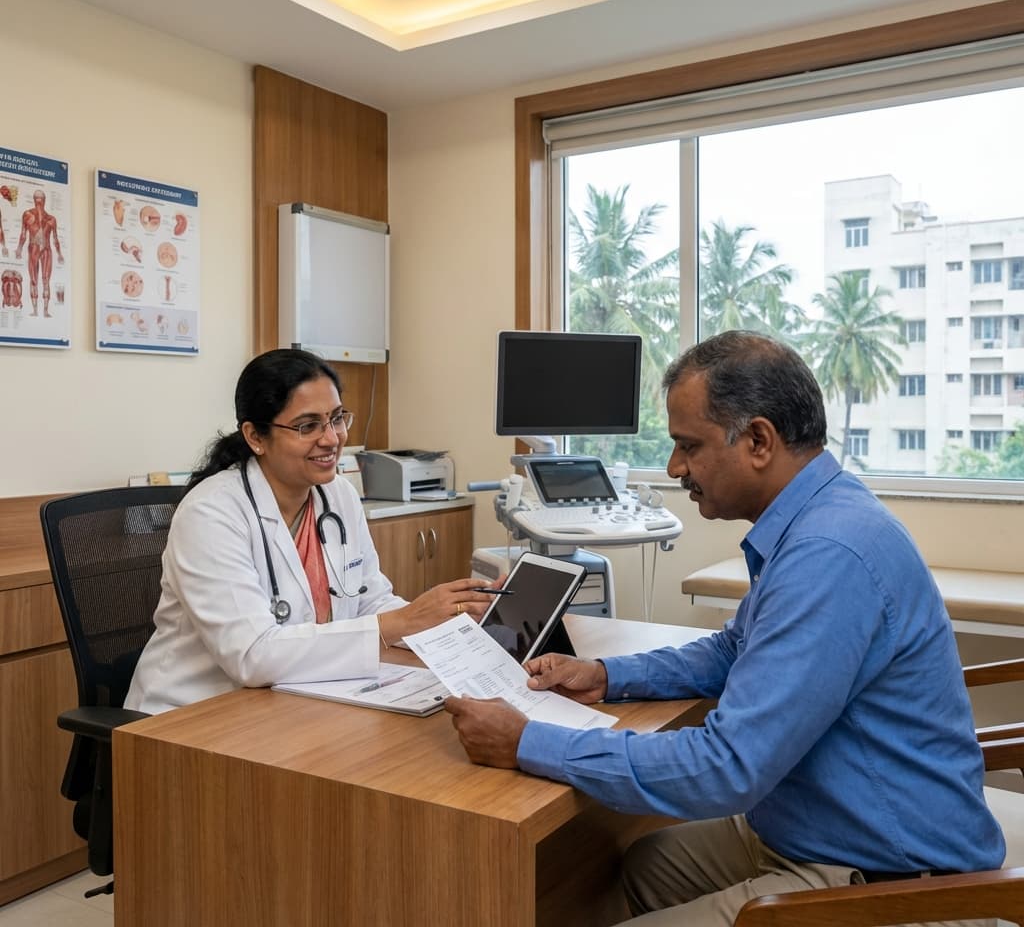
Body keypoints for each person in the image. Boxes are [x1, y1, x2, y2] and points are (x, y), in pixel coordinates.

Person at [445, 330, 1004, 926]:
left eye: (689, 446)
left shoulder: (829, 554)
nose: (674, 467)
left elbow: (728, 768)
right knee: (644, 866)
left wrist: (526, 741)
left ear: (759, 440)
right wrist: (606, 674)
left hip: (890, 875)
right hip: (817, 823)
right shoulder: (817, 515)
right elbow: (737, 648)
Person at [126, 348, 492, 714]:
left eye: (336, 418)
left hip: (291, 702)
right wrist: (401, 622)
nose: (332, 438)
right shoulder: (212, 513)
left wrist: (440, 625)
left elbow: (370, 601)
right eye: (308, 426)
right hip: (192, 717)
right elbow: (252, 655)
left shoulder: (338, 495)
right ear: (255, 436)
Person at [16, 188, 64, 317]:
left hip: (45, 250)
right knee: (34, 280)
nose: (38, 203)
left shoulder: (51, 219)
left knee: (45, 280)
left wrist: (59, 254)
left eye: (40, 200)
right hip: (34, 249)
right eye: (37, 200)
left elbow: (55, 239)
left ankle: (45, 310)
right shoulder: (27, 215)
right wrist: (19, 248)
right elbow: (23, 234)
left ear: (44, 201)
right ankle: (37, 310)